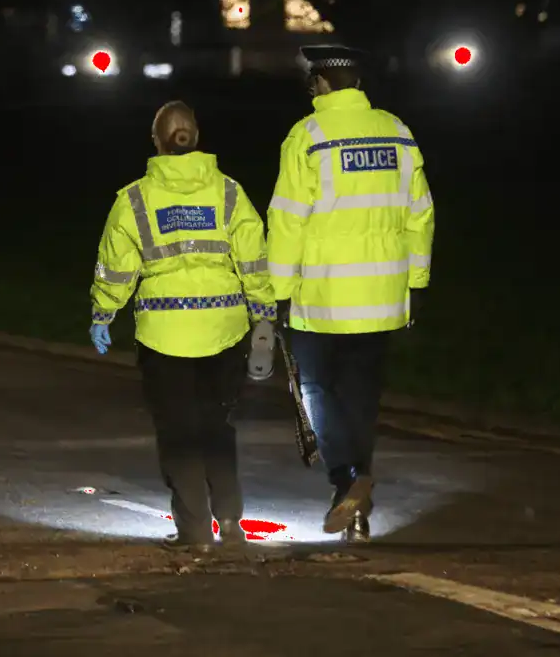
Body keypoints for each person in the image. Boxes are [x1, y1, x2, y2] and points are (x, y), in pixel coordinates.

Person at [89, 101, 276, 549]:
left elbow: (116, 268)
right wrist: (264, 315)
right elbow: (254, 260)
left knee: (178, 432)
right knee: (217, 426)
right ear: (196, 137)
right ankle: (230, 522)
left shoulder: (134, 199)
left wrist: (103, 313)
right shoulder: (229, 193)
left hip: (163, 336)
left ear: (156, 141)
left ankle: (195, 530)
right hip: (225, 331)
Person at [267, 45, 435, 543]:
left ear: (320, 82)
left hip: (322, 297)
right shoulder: (397, 132)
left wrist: (278, 292)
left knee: (318, 390)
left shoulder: (307, 137)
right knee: (360, 397)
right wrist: (416, 284)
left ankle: (347, 478)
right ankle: (357, 506)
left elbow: (288, 222)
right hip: (382, 295)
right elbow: (420, 215)